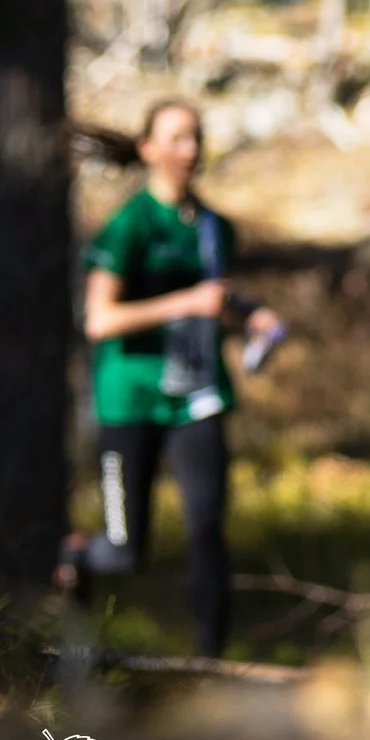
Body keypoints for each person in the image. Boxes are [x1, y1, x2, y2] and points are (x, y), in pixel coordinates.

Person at [57, 100, 282, 658]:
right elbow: (99, 320)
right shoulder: (128, 226)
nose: (190, 149)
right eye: (177, 138)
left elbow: (213, 294)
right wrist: (185, 302)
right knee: (125, 551)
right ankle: (75, 559)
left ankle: (213, 661)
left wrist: (251, 314)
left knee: (207, 532)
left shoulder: (213, 227)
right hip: (128, 399)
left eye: (196, 137)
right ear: (148, 149)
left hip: (198, 397)